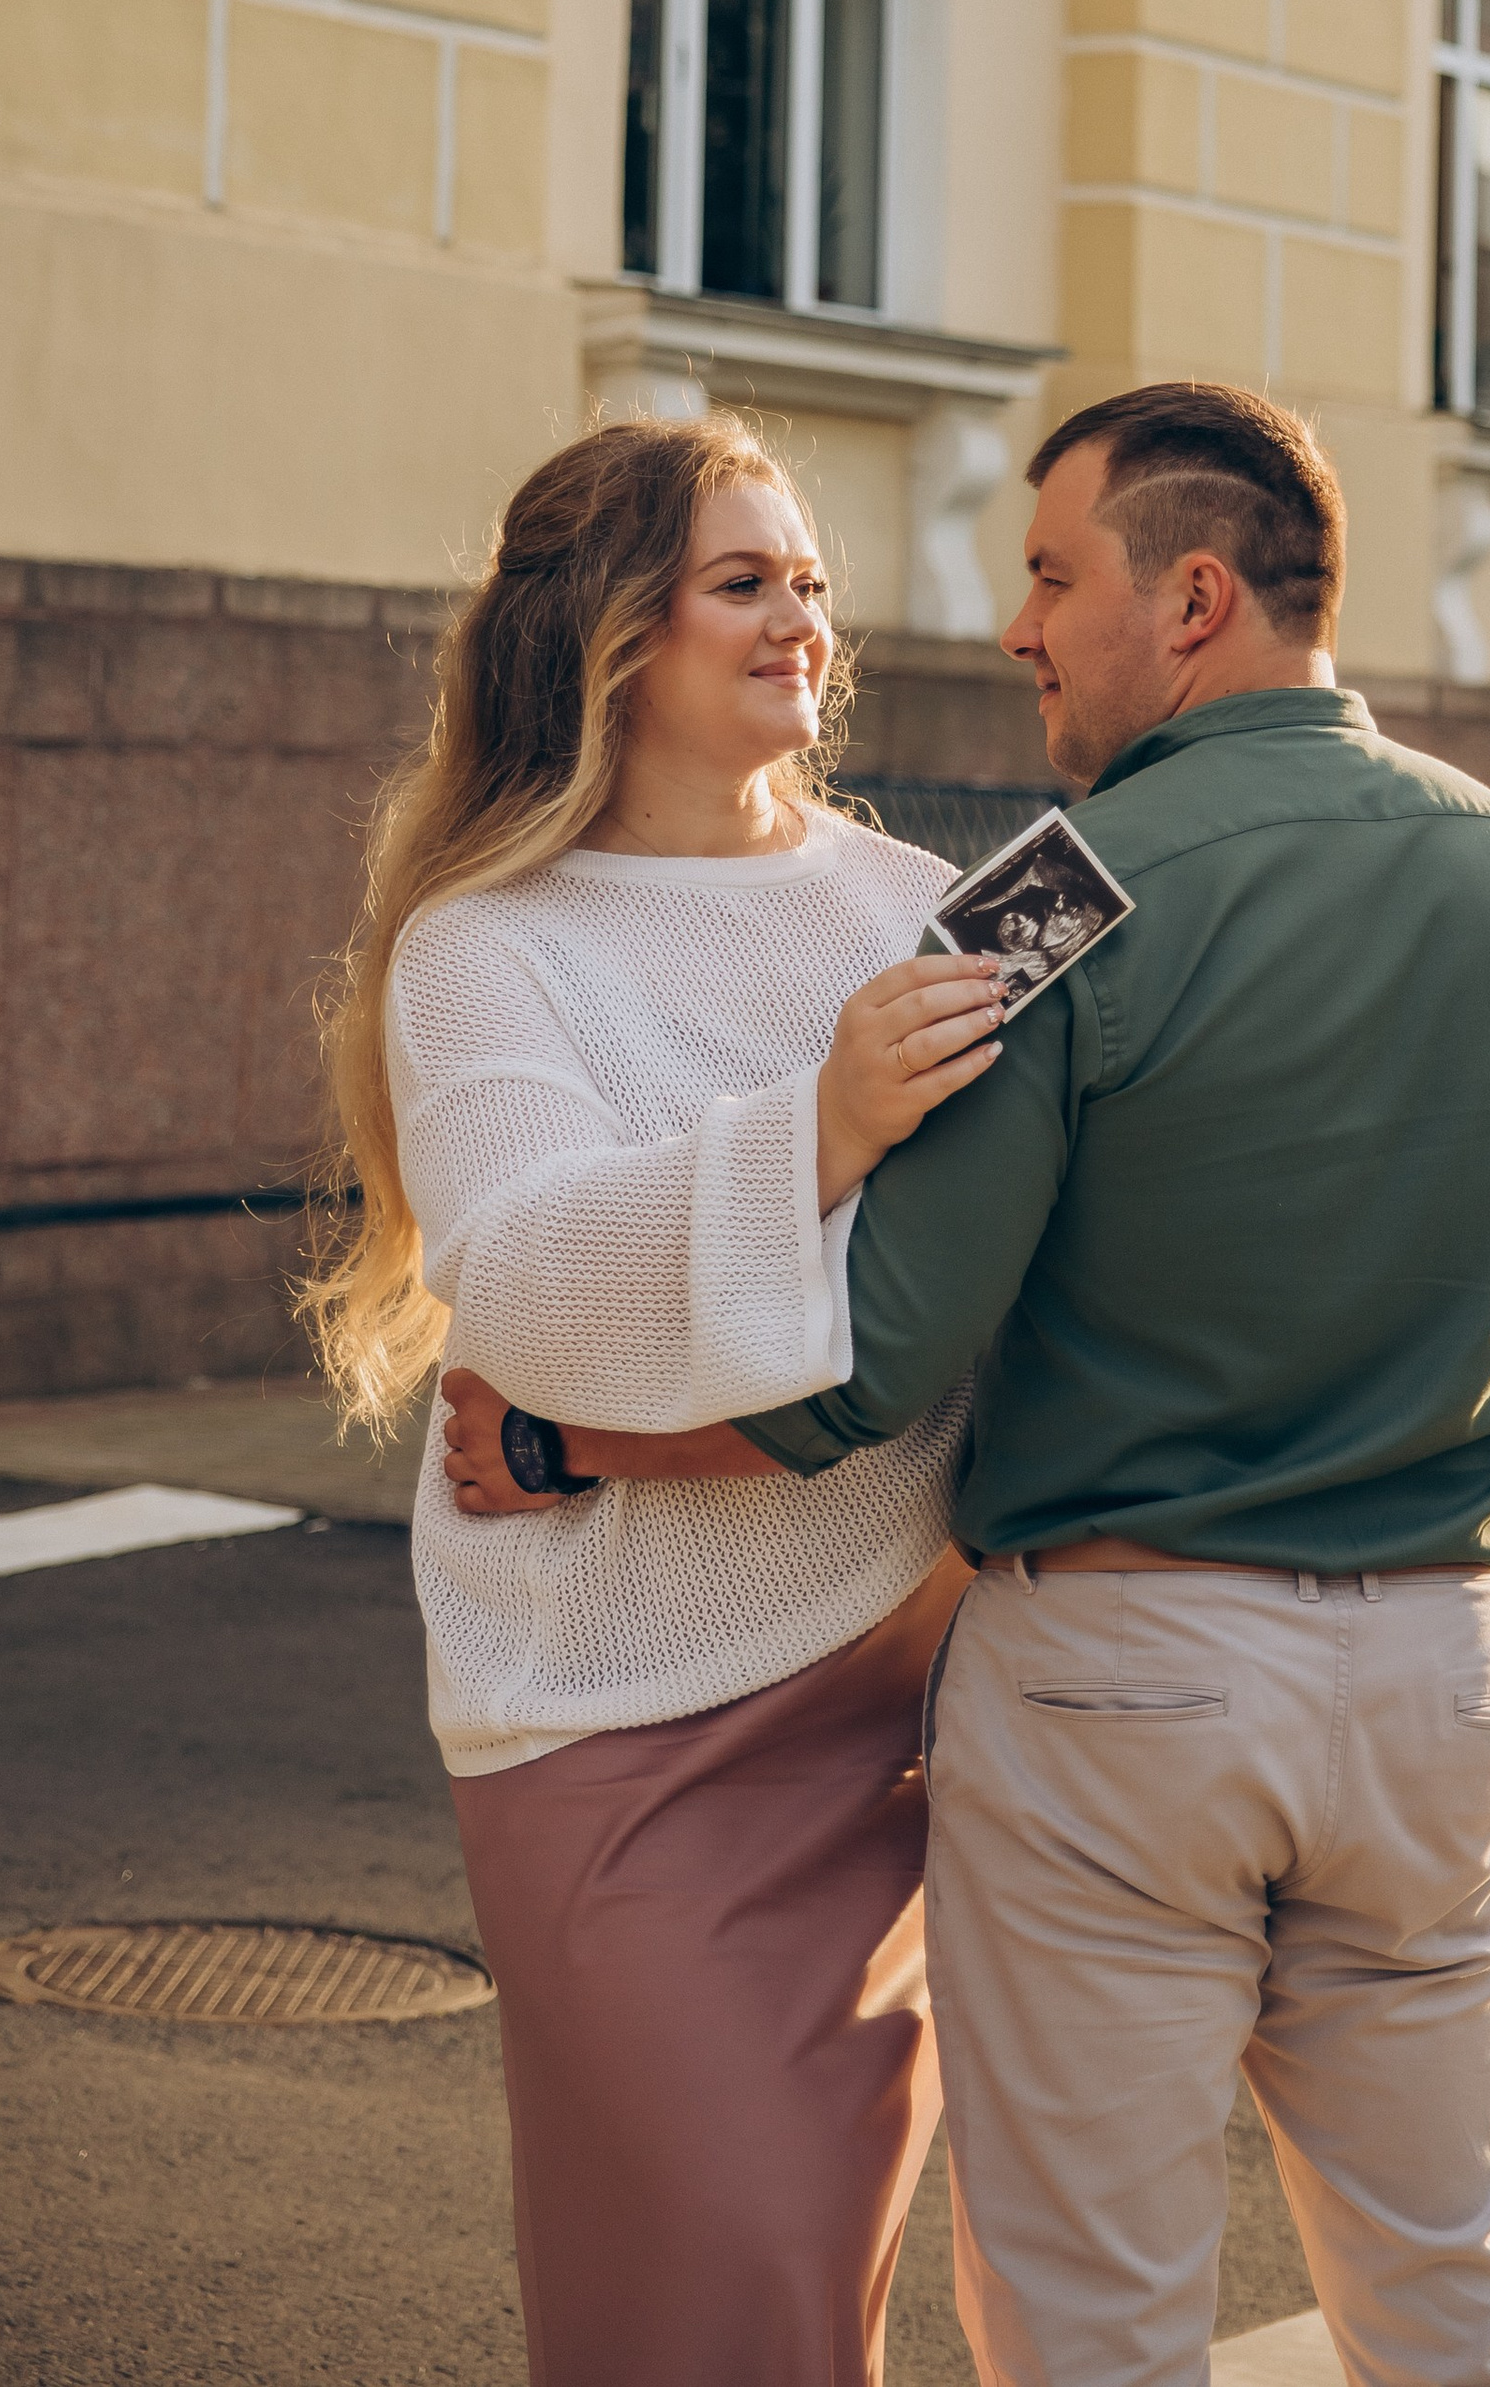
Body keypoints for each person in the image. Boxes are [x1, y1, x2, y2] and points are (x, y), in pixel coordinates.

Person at [456, 380, 1490, 2387]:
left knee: (1089, 2313)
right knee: (1452, 2272)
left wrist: (569, 1437)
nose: (1017, 627)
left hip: (1120, 1686)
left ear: (1190, 600)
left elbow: (868, 1362)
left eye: (1048, 575)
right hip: (1441, 1682)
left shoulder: (1049, 899)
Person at [302, 412, 1007, 2387]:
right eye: (741, 579)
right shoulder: (486, 946)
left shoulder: (917, 906)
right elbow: (520, 1276)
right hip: (620, 1724)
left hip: (904, 1695)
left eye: (807, 580)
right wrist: (824, 1122)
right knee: (715, 2278)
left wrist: (578, 1435)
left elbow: (1009, 1271)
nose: (801, 616)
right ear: (611, 637)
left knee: (807, 2287)